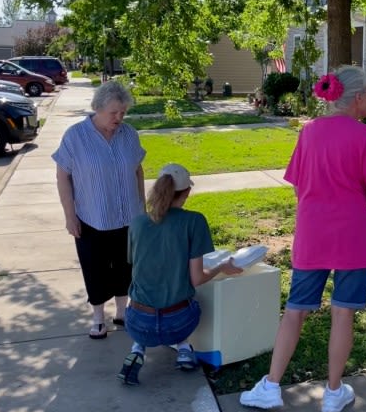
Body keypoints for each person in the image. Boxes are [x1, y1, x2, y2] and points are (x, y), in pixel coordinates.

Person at [239, 65, 366, 412]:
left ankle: (271, 385)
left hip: (312, 236)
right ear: (357, 98)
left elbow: (297, 185)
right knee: (343, 315)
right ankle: (333, 391)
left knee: (295, 311)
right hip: (353, 240)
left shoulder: (308, 133)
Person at [117, 163, 242, 385]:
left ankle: (138, 349)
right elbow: (197, 278)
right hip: (177, 323)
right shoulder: (194, 221)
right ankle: (184, 349)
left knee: (145, 308)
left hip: (137, 322)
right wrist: (221, 267)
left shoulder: (137, 223)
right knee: (194, 304)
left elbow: (134, 263)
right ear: (186, 193)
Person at [52, 80, 145, 339]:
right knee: (95, 269)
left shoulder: (129, 134)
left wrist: (143, 208)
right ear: (97, 108)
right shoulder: (75, 136)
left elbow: (137, 170)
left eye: (123, 112)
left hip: (128, 216)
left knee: (125, 267)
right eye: (113, 112)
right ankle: (97, 318)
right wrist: (70, 216)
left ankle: (122, 312)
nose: (119, 118)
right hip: (92, 217)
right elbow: (63, 177)